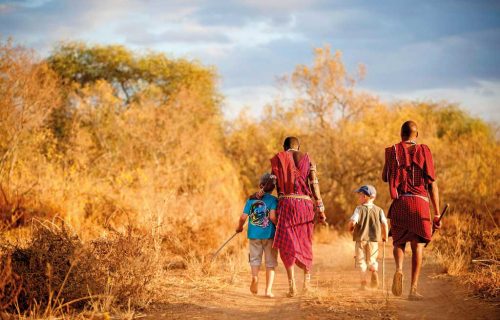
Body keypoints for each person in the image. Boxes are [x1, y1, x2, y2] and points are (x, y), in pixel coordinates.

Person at [382, 120, 441, 300]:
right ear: (417, 134)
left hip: (400, 203)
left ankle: (399, 269)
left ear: (401, 134)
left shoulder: (392, 151)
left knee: (399, 242)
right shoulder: (424, 151)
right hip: (420, 204)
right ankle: (413, 289)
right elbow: (432, 185)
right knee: (418, 245)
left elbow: (385, 177)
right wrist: (437, 213)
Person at [270, 136, 326, 297]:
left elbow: (271, 184)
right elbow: (314, 184)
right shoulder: (308, 158)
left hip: (286, 205)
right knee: (305, 242)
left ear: (284, 147)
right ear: (298, 147)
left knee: (287, 244)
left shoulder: (279, 159)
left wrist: (259, 196)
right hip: (305, 206)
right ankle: (306, 284)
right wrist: (321, 208)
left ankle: (291, 286)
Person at [235, 173, 278, 298]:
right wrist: (277, 225)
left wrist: (239, 227)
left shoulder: (251, 199)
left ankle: (255, 277)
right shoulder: (273, 200)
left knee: (255, 259)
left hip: (253, 235)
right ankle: (268, 291)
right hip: (269, 235)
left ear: (260, 185)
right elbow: (272, 217)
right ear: (273, 188)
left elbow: (243, 217)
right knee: (270, 263)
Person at [347, 185, 388, 290]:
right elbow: (384, 224)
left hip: (360, 239)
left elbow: (353, 221)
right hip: (373, 240)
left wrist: (350, 228)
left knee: (361, 262)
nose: (359, 197)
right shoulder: (379, 210)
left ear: (365, 196)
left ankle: (364, 284)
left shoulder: (359, 209)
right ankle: (374, 270)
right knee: (372, 259)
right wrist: (385, 236)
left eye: (360, 195)